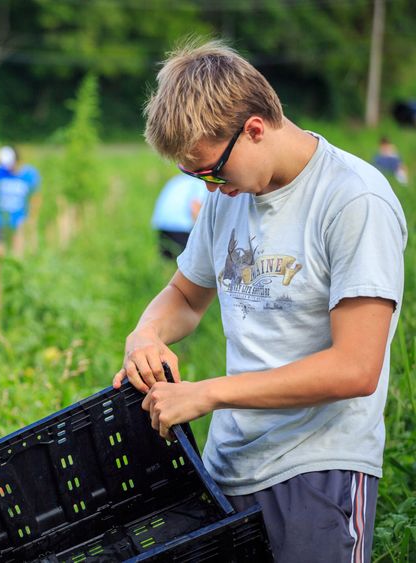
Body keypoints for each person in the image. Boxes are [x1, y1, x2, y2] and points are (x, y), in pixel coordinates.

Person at [115, 40, 406, 562]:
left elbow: (356, 368)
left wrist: (209, 393)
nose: (208, 185)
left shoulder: (352, 199)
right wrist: (146, 334)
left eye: (212, 169)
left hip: (319, 468)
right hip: (228, 464)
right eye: (193, 176)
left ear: (253, 128)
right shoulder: (229, 198)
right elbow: (185, 294)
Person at [0, 146, 41, 242]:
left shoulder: (29, 174)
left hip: (19, 220)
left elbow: (35, 196)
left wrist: (32, 217)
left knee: (18, 251)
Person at [151, 174, 207, 259]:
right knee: (190, 263)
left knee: (168, 261)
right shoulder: (200, 183)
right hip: (181, 228)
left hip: (162, 225)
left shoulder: (178, 179)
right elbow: (195, 209)